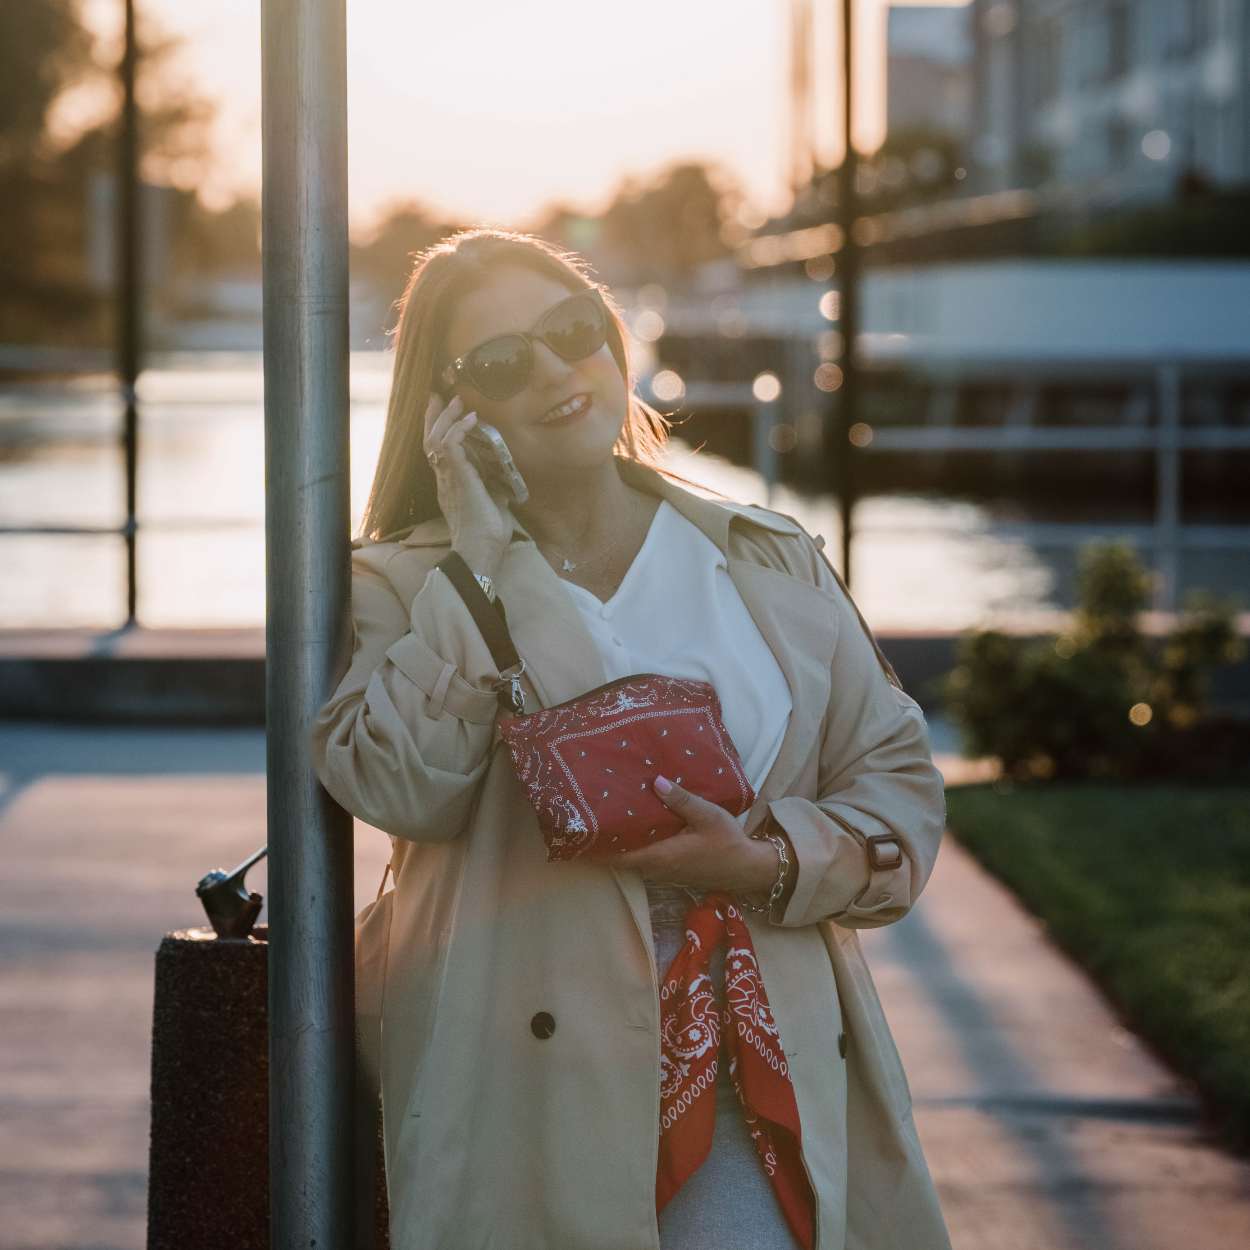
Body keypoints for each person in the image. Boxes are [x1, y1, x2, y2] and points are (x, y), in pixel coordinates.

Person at [309, 227, 953, 1250]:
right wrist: (474, 559)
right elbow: (401, 790)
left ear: (611, 335)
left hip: (763, 1053)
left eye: (570, 331)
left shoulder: (762, 554)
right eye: (502, 360)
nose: (555, 371)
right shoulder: (404, 584)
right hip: (525, 1082)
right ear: (449, 405)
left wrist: (764, 856)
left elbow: (894, 784)